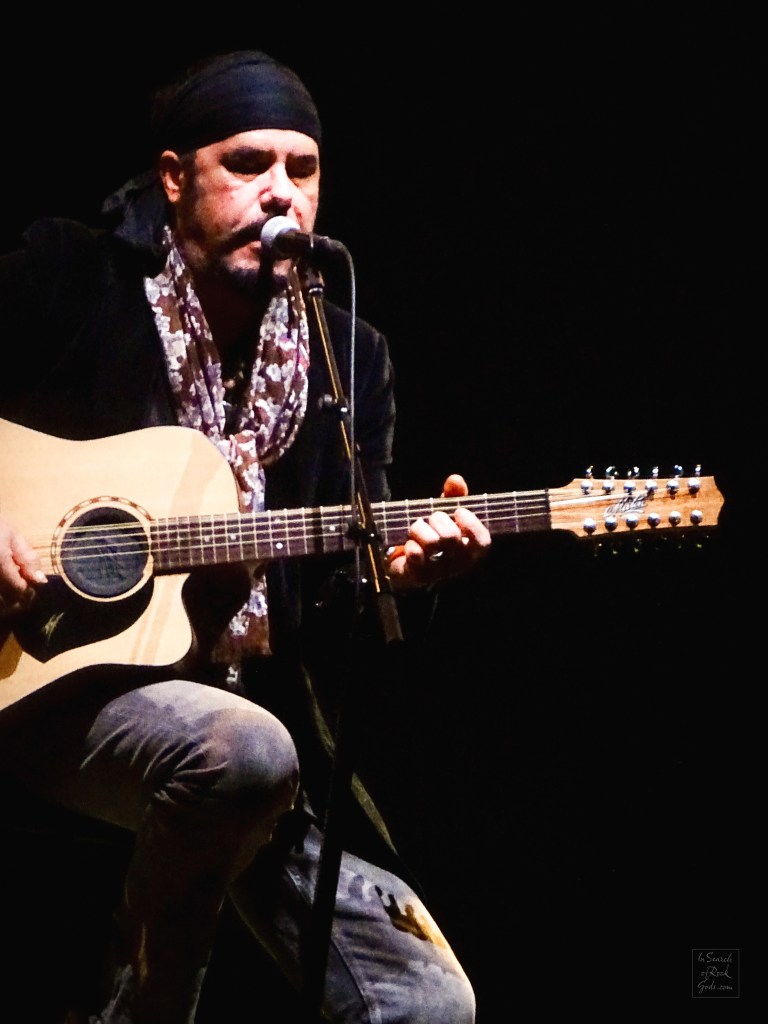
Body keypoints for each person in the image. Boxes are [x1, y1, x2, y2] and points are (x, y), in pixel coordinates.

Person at [0, 49, 490, 1024]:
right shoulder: (69, 275)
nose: (281, 192)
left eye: (303, 170)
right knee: (242, 747)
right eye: (249, 163)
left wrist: (409, 577)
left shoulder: (348, 356)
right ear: (176, 177)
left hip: (242, 713)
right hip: (46, 684)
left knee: (428, 1003)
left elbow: (334, 607)